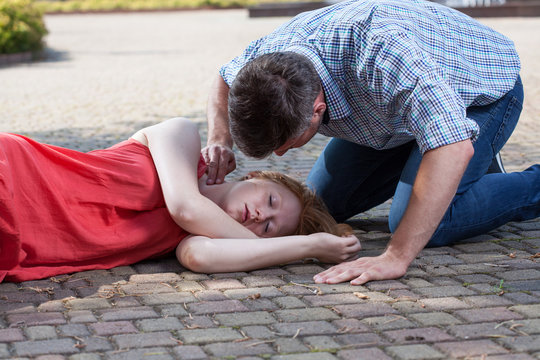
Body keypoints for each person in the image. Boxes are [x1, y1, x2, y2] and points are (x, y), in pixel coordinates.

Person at [202, 0, 540, 285]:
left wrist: (396, 256)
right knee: (322, 202)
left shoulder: (384, 57)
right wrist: (220, 139)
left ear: (317, 110)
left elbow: (452, 144)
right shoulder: (268, 61)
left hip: (480, 94)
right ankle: (447, 166)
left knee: (426, 222)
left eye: (287, 143)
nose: (279, 153)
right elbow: (223, 77)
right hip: (395, 115)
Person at [0, 117, 361, 283]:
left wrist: (308, 245)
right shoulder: (182, 135)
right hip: (15, 175)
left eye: (269, 227)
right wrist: (290, 242)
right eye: (270, 199)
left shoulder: (196, 242)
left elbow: (200, 256)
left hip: (17, 240)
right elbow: (185, 208)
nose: (259, 215)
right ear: (255, 176)